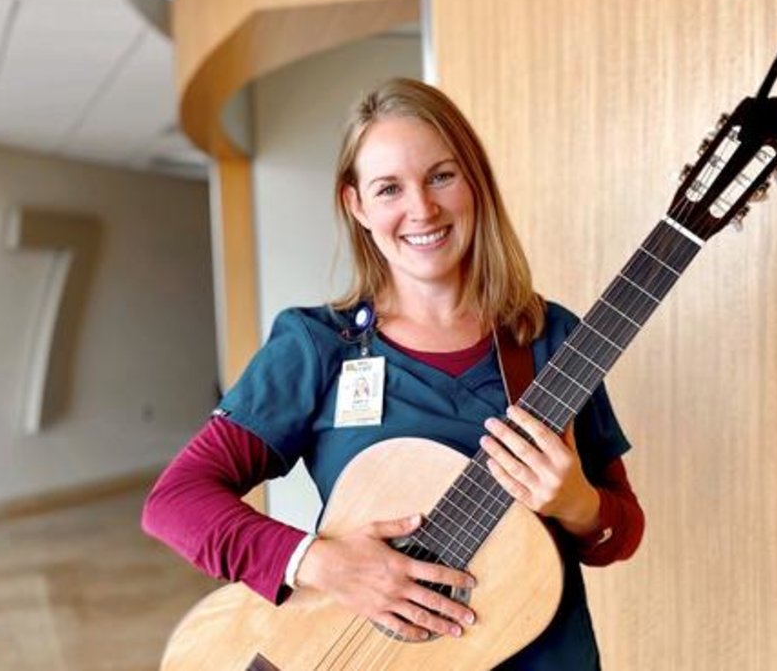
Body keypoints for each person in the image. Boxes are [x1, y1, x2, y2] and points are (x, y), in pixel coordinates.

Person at [142, 78, 644, 669]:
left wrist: (578, 502)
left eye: (441, 176)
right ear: (357, 206)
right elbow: (174, 502)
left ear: (474, 182)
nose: (422, 209)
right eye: (389, 188)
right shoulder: (316, 346)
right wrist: (323, 563)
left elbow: (622, 531)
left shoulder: (553, 339)